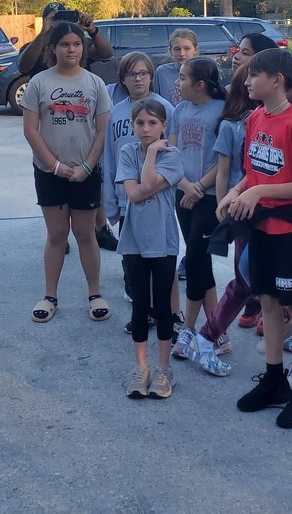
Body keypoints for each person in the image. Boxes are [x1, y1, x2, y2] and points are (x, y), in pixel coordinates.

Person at [217, 49, 292, 429]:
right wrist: (236, 192)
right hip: (259, 229)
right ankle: (274, 377)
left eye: (253, 75)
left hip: (289, 233)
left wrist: (258, 194)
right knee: (269, 302)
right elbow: (252, 171)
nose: (246, 82)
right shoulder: (255, 118)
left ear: (276, 80)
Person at [21, 21, 112, 323]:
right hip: (49, 173)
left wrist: (87, 166)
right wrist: (54, 165)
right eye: (64, 44)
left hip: (85, 172)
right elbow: (31, 130)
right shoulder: (39, 83)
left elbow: (102, 132)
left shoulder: (94, 83)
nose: (71, 49)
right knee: (57, 234)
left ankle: (95, 294)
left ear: (84, 48)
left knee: (86, 234)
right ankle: (50, 296)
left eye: (76, 44)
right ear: (53, 48)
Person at [190, 63, 261, 377]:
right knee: (244, 280)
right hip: (244, 213)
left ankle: (287, 337)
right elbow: (225, 170)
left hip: (280, 214)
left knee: (278, 286)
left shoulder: (286, 121)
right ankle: (207, 336)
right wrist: (224, 207)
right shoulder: (234, 124)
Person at [117, 98, 184, 400]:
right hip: (134, 239)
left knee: (163, 308)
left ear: (163, 126)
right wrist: (149, 158)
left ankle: (164, 367)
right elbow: (133, 193)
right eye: (140, 123)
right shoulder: (127, 151)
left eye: (153, 123)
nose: (146, 130)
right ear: (132, 125)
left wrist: (154, 153)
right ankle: (141, 366)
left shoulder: (172, 155)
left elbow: (144, 183)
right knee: (140, 303)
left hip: (163, 239)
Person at [100, 53, 174, 317]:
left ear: (151, 77)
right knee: (132, 253)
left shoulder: (166, 108)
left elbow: (174, 154)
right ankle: (136, 294)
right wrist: (108, 196)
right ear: (123, 79)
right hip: (124, 197)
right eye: (132, 74)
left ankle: (161, 305)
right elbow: (109, 157)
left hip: (157, 196)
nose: (138, 78)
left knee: (158, 252)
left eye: (143, 73)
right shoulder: (116, 112)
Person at [167, 56, 227, 358]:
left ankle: (189, 330)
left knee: (193, 260)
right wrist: (184, 184)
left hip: (210, 197)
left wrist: (200, 187)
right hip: (183, 192)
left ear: (200, 84)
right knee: (200, 262)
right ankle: (218, 332)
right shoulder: (179, 110)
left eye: (182, 78)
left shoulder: (223, 113)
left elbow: (224, 161)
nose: (177, 83)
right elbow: (172, 151)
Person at [153, 28, 200, 106]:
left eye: (187, 49)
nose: (182, 53)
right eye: (177, 49)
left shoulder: (203, 72)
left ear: (195, 50)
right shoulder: (162, 72)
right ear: (171, 50)